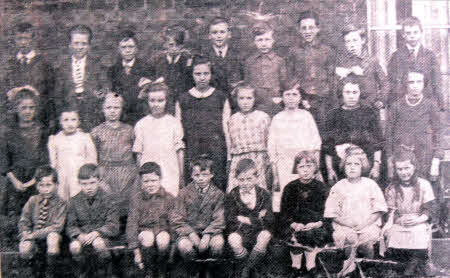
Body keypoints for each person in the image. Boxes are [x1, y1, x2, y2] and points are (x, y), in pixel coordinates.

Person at [176, 56, 231, 190]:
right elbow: (178, 131)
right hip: (192, 149)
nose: (202, 77)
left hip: (216, 150)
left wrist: (229, 154)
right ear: (192, 75)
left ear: (211, 75)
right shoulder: (183, 99)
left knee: (217, 184)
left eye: (206, 73)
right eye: (198, 74)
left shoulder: (220, 97)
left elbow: (227, 127)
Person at [324, 146, 387, 259]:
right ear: (344, 166)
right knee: (347, 238)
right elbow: (331, 212)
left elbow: (379, 208)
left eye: (356, 164)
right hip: (345, 225)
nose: (352, 167)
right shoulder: (338, 186)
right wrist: (348, 224)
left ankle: (366, 266)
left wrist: (364, 224)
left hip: (367, 224)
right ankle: (349, 267)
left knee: (367, 240)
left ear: (363, 166)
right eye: (349, 164)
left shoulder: (370, 184)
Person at [0, 89, 49, 225]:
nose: (27, 111)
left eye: (31, 108)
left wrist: (35, 180)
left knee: (37, 213)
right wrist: (15, 181)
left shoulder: (41, 130)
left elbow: (45, 159)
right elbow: (4, 160)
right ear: (16, 109)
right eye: (23, 108)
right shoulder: (8, 132)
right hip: (15, 179)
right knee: (16, 214)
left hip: (36, 178)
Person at [268, 88, 321, 212]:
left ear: (300, 98)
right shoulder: (277, 118)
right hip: (284, 165)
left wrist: (315, 168)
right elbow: (272, 146)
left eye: (294, 94)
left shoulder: (306, 116)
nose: (291, 98)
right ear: (282, 97)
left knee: (305, 196)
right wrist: (275, 174)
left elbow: (316, 143)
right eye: (287, 94)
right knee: (286, 196)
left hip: (304, 163)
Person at [384, 149, 435, 276]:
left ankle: (414, 265)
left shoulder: (424, 184)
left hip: (419, 219)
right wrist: (398, 219)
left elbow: (429, 208)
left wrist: (419, 219)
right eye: (399, 169)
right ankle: (402, 264)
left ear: (414, 167)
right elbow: (391, 211)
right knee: (393, 233)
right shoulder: (392, 188)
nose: (404, 172)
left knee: (418, 233)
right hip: (400, 220)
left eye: (407, 168)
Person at [324, 77, 384, 184]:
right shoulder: (333, 114)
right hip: (340, 165)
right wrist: (330, 170)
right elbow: (328, 145)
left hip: (365, 164)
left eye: (355, 92)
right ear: (341, 93)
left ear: (360, 93)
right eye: (347, 92)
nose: (351, 96)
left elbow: (378, 142)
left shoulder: (369, 113)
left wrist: (376, 167)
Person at [386, 70, 442, 181]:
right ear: (405, 84)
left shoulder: (430, 105)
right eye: (411, 82)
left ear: (424, 84)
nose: (415, 86)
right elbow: (389, 135)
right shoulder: (396, 106)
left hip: (424, 156)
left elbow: (439, 132)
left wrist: (436, 160)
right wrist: (390, 161)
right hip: (401, 157)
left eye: (419, 82)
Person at [279, 151, 330, 276]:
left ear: (315, 168)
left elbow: (328, 211)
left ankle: (310, 265)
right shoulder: (290, 188)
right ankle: (295, 265)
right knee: (291, 235)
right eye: (301, 167)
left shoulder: (322, 188)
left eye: (309, 166)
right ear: (296, 169)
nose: (305, 170)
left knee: (313, 234)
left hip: (315, 225)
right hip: (295, 225)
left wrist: (318, 223)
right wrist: (294, 224)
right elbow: (285, 212)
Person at [126, 162, 180, 278]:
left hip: (162, 232)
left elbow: (174, 224)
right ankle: (148, 271)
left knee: (163, 238)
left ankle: (161, 270)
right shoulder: (136, 199)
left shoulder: (169, 198)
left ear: (160, 180)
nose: (150, 185)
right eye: (146, 181)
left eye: (153, 181)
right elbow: (132, 224)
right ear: (141, 182)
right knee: (148, 236)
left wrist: (173, 249)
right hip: (144, 234)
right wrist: (136, 252)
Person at [91, 93, 137, 227]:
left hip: (127, 173)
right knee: (109, 203)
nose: (112, 111)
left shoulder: (129, 130)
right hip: (105, 172)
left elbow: (136, 153)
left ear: (121, 109)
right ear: (103, 109)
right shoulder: (96, 131)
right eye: (108, 107)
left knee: (127, 204)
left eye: (116, 107)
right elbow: (94, 156)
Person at [287, 10, 336, 133]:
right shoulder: (294, 51)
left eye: (311, 27)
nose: (307, 31)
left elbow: (332, 77)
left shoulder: (327, 50)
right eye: (304, 28)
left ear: (317, 29)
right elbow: (290, 76)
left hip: (323, 101)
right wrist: (299, 95)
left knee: (323, 133)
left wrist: (332, 100)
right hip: (303, 99)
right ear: (299, 30)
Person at [175, 155, 226, 276]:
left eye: (204, 175)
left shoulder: (218, 194)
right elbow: (177, 219)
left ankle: (210, 270)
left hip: (211, 232)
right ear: (192, 176)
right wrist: (191, 234)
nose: (201, 179)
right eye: (197, 175)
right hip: (189, 232)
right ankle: (195, 270)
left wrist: (207, 235)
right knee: (184, 246)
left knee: (218, 244)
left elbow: (219, 219)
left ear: (211, 175)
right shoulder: (183, 193)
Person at [66, 164, 119, 278]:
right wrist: (79, 235)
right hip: (83, 237)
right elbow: (71, 225)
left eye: (92, 183)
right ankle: (82, 273)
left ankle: (106, 273)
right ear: (79, 183)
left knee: (98, 243)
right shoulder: (74, 201)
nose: (88, 187)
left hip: (104, 237)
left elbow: (113, 225)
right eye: (84, 184)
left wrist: (97, 233)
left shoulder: (109, 199)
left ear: (99, 181)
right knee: (74, 246)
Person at [133, 82, 185, 197]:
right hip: (149, 173)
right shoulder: (141, 124)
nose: (156, 104)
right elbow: (139, 154)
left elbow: (179, 152)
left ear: (167, 101)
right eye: (152, 101)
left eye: (160, 100)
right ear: (147, 101)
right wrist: (140, 176)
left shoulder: (174, 123)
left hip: (169, 171)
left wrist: (181, 176)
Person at [225, 159, 274, 278]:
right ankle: (249, 265)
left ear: (256, 178)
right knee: (233, 239)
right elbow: (230, 218)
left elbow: (269, 219)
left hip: (259, 231)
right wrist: (257, 218)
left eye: (249, 179)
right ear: (236, 179)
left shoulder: (264, 194)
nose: (245, 183)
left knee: (265, 236)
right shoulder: (233, 194)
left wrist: (245, 219)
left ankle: (247, 268)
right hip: (240, 231)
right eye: (241, 180)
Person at [53, 25, 107, 132]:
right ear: (70, 45)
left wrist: (97, 95)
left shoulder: (98, 66)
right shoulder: (62, 68)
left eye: (84, 43)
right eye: (76, 43)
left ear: (89, 45)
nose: (80, 47)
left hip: (91, 115)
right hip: (69, 117)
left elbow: (105, 89)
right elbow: (57, 96)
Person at [2, 22, 55, 129]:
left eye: (26, 38)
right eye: (19, 39)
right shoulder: (9, 64)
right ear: (14, 40)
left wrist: (36, 93)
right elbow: (4, 91)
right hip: (15, 120)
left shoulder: (44, 64)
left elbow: (50, 92)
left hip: (39, 118)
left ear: (33, 40)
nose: (23, 42)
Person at [18, 166, 67, 278]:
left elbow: (57, 227)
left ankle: (50, 274)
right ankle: (31, 273)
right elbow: (24, 220)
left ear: (56, 185)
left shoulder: (61, 203)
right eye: (41, 185)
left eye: (49, 185)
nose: (45, 189)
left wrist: (33, 235)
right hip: (34, 237)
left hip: (53, 239)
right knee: (24, 246)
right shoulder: (32, 200)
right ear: (37, 186)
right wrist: (25, 232)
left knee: (52, 237)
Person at [388, 17, 443, 109]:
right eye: (408, 33)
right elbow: (392, 82)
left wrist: (439, 104)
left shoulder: (430, 56)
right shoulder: (396, 56)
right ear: (403, 35)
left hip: (425, 103)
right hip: (403, 103)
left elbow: (436, 82)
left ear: (421, 33)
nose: (412, 36)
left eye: (415, 32)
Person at [226, 83, 271, 192]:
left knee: (258, 190)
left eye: (249, 98)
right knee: (237, 190)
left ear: (255, 99)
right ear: (236, 99)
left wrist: (268, 160)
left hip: (258, 158)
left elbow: (269, 140)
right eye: (241, 98)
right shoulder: (232, 119)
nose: (245, 102)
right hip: (239, 159)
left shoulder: (263, 117)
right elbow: (230, 142)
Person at [48, 105, 97, 201]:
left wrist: (88, 175)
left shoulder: (85, 138)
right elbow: (53, 162)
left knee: (80, 200)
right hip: (63, 177)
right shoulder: (55, 139)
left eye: (73, 120)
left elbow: (92, 159)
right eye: (66, 120)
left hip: (81, 175)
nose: (70, 123)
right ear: (60, 122)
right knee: (63, 200)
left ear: (78, 122)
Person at [334, 24, 388, 110]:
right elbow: (336, 88)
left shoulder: (372, 61)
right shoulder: (341, 63)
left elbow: (385, 83)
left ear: (362, 40)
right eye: (348, 41)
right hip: (348, 109)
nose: (352, 45)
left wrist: (381, 100)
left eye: (355, 40)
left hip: (369, 108)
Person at [107, 29, 155, 124]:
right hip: (121, 117)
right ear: (119, 49)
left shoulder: (146, 68)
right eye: (124, 47)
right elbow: (114, 93)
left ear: (136, 48)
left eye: (131, 47)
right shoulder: (113, 70)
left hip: (140, 115)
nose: (127, 50)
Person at [244, 22, 290, 116]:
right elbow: (247, 83)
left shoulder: (279, 61)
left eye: (267, 39)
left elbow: (284, 83)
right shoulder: (249, 61)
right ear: (254, 42)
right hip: (256, 104)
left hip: (275, 103)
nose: (264, 44)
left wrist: (279, 98)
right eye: (260, 40)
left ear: (273, 40)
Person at [152, 26, 193, 115]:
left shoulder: (187, 60)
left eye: (177, 45)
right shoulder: (158, 60)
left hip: (183, 101)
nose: (174, 48)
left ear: (182, 45)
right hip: (164, 102)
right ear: (165, 44)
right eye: (171, 45)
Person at [201, 17, 243, 99]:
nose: (219, 36)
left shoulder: (238, 55)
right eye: (215, 32)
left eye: (222, 32)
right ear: (209, 35)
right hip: (211, 100)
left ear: (229, 34)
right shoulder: (203, 56)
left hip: (234, 100)